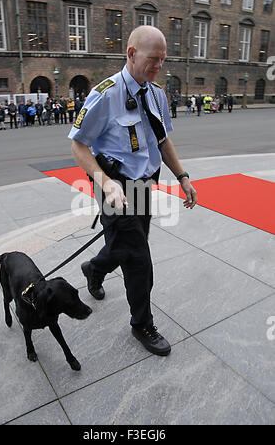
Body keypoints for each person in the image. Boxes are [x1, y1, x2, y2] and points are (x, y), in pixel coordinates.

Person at [69, 26, 197, 357]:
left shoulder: (156, 94)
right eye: (153, 59)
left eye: (163, 60)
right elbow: (79, 146)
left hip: (142, 187)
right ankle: (142, 324)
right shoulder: (105, 94)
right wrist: (105, 183)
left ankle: (94, 269)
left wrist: (182, 176)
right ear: (131, 53)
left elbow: (162, 140)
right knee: (139, 259)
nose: (159, 67)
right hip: (113, 186)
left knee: (124, 247)